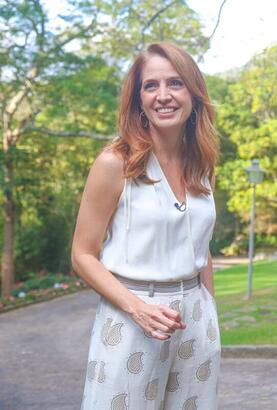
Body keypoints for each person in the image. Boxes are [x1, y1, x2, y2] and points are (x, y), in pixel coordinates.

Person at [71, 42, 221, 410]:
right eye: (151, 86)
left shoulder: (201, 164)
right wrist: (138, 309)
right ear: (138, 99)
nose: (163, 96)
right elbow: (82, 255)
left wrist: (209, 309)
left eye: (175, 83)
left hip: (196, 321)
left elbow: (201, 247)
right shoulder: (115, 163)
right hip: (131, 318)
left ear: (194, 94)